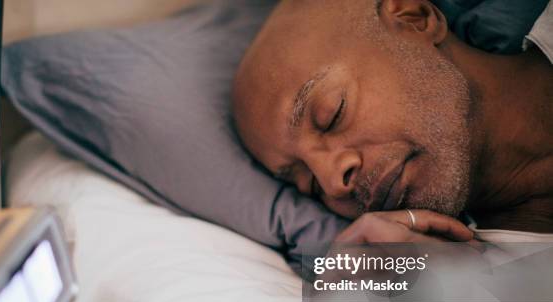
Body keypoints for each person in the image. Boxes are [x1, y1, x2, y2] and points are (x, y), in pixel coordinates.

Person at [232, 0, 553, 245]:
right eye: (311, 186)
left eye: (332, 115)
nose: (332, 182)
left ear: (414, 20)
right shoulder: (479, 295)